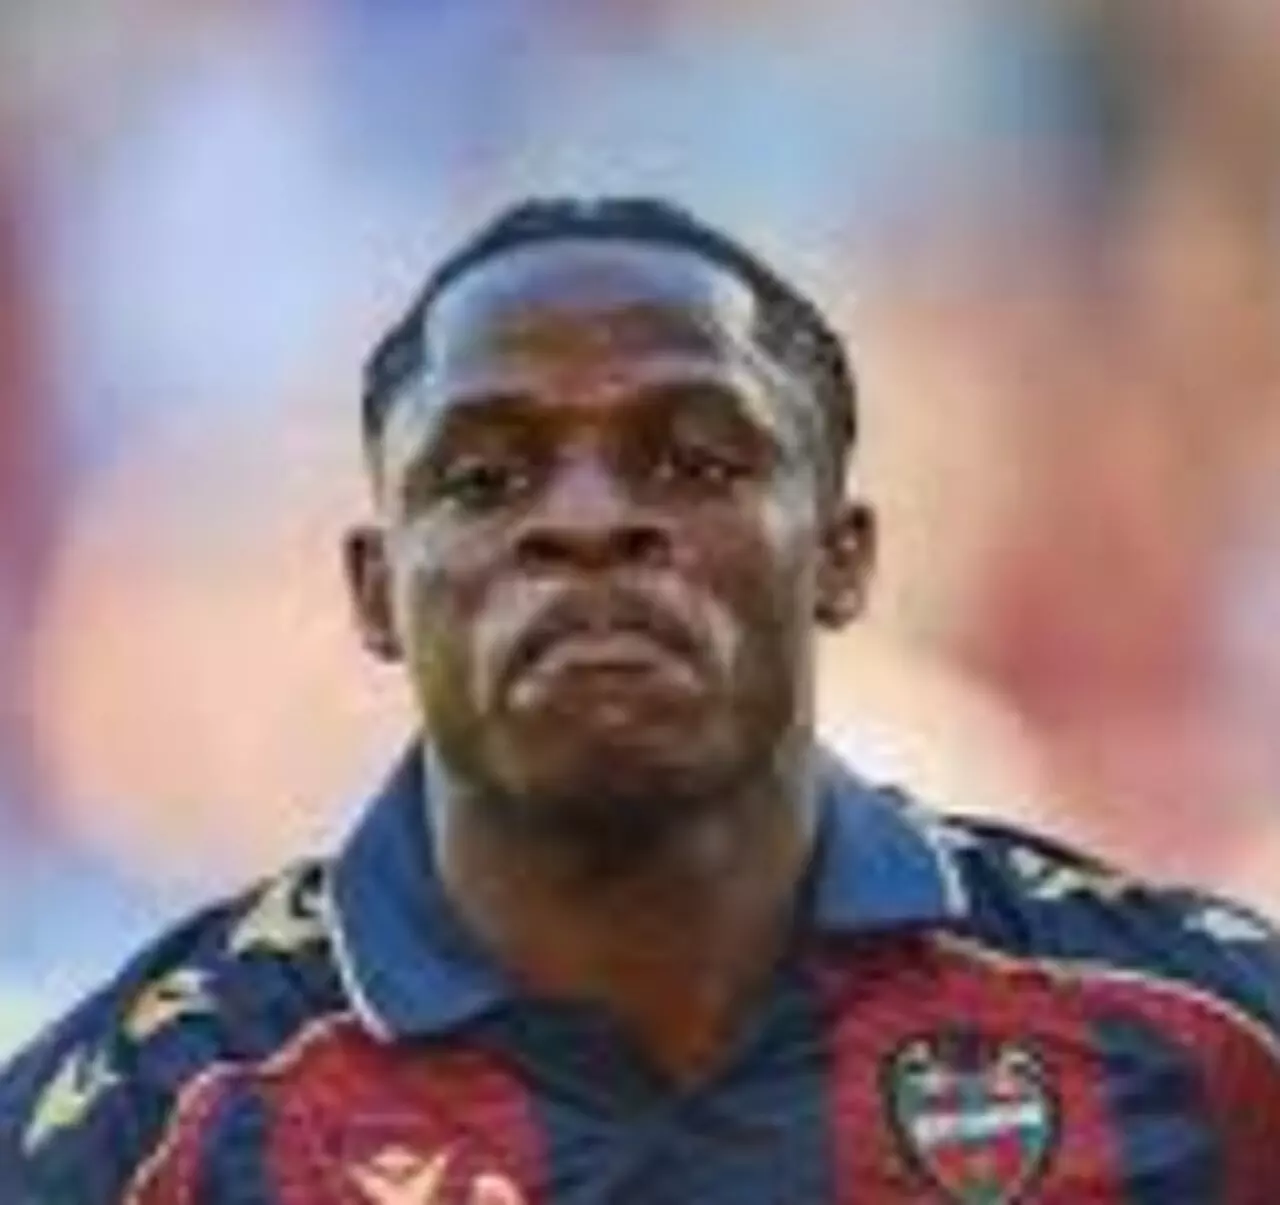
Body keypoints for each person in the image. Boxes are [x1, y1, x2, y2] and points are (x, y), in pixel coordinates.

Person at [2, 197, 1279, 1203]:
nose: (589, 521)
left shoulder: (1198, 1040)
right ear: (377, 590)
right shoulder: (148, 1122)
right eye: (486, 477)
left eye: (694, 459)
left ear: (840, 557)